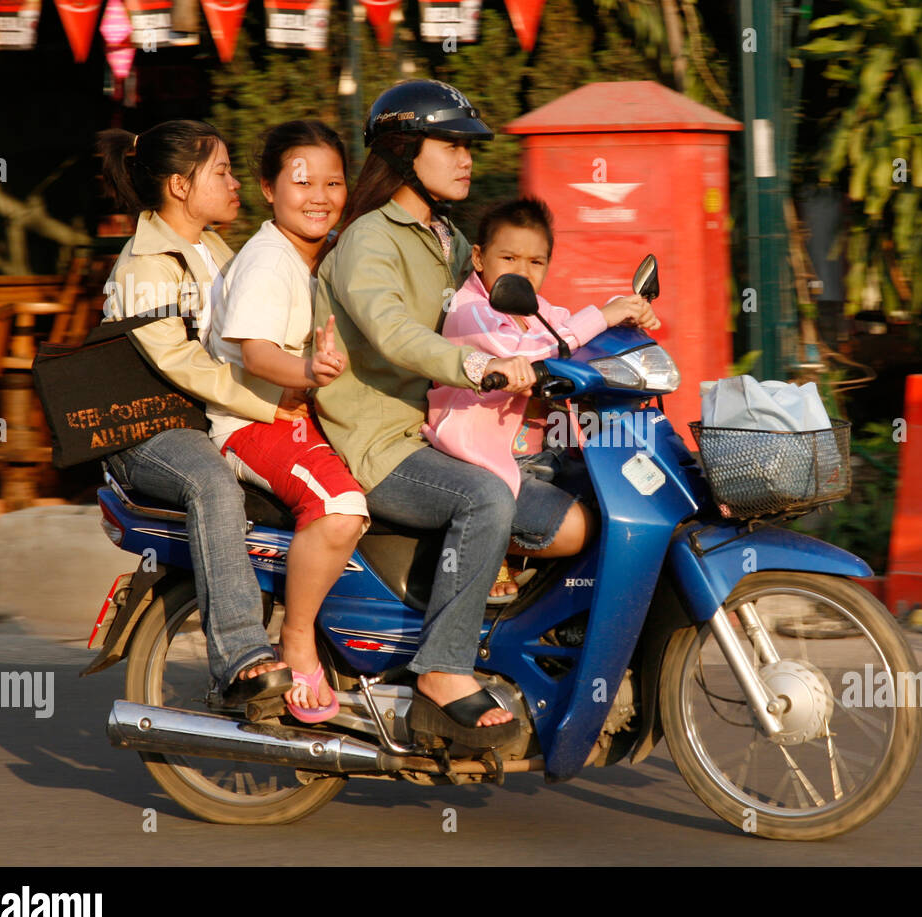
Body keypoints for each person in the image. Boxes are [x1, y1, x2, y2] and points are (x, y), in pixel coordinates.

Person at [313, 79, 537, 748]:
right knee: (489, 500)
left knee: (566, 500)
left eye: (471, 147)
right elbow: (393, 332)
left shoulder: (444, 237)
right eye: (452, 145)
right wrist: (477, 368)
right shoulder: (368, 241)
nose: (467, 159)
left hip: (435, 433)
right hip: (378, 444)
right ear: (407, 151)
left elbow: (496, 319)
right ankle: (441, 674)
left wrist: (586, 338)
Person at [96, 120, 299, 710]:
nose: (236, 183)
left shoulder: (213, 248)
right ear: (181, 186)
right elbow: (185, 365)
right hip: (150, 428)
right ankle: (240, 658)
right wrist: (274, 402)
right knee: (211, 483)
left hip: (207, 415)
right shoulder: (144, 265)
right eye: (223, 172)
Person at [205, 120, 369, 724]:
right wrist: (308, 369)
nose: (319, 195)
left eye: (333, 182)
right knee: (340, 508)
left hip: (298, 416)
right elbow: (256, 353)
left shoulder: (323, 252)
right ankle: (297, 640)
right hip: (252, 425)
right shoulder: (270, 260)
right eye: (302, 182)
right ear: (269, 188)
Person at [424, 197, 658, 575]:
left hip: (545, 457)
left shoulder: (532, 309)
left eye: (536, 262)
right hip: (488, 465)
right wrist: (602, 316)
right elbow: (525, 356)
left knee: (625, 498)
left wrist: (624, 308)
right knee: (578, 530)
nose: (523, 272)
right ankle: (487, 545)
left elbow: (570, 326)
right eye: (509, 259)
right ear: (480, 259)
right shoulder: (469, 311)